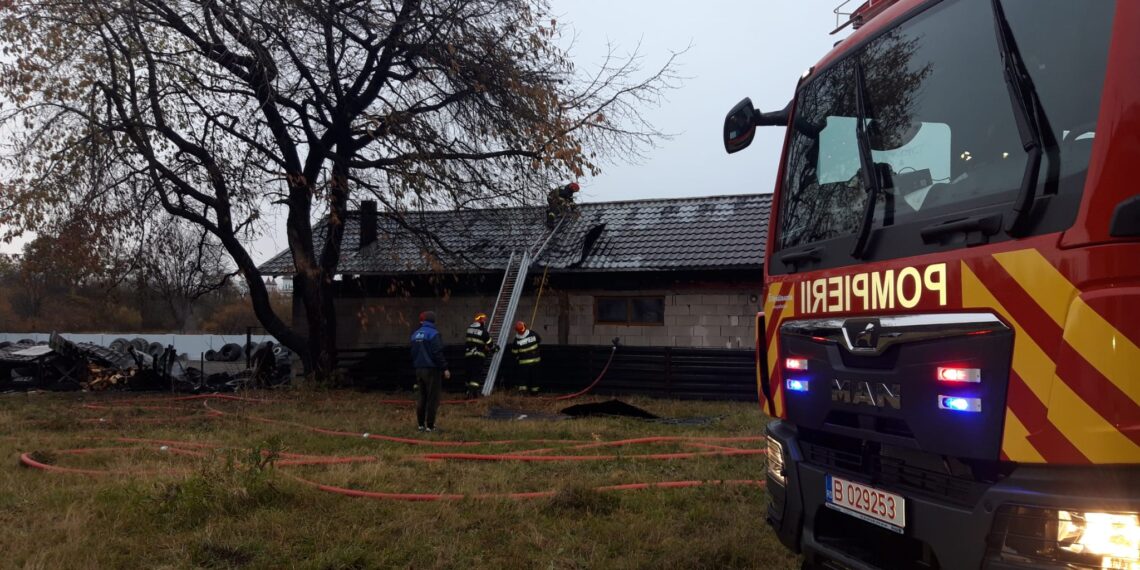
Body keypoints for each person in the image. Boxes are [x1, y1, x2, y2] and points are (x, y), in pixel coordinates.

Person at [409, 310, 450, 432]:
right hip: (432, 370)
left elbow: (413, 352)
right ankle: (430, 426)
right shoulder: (433, 334)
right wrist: (445, 368)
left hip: (419, 369)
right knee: (433, 398)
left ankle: (421, 425)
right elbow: (437, 352)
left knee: (422, 396)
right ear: (433, 321)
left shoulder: (415, 334)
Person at [463, 312, 494, 398]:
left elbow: (474, 341)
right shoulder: (483, 332)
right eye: (484, 320)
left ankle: (467, 392)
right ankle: (473, 394)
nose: (484, 322)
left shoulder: (469, 329)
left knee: (469, 374)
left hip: (468, 356)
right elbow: (490, 344)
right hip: (477, 356)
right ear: (481, 321)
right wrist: (494, 348)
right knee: (476, 375)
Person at [509, 320, 542, 394]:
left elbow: (514, 352)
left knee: (523, 378)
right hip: (536, 361)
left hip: (524, 363)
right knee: (535, 377)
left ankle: (522, 392)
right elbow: (539, 340)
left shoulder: (516, 340)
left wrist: (516, 357)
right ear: (525, 327)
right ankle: (534, 392)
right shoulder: (533, 333)